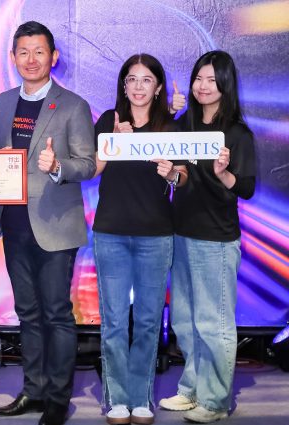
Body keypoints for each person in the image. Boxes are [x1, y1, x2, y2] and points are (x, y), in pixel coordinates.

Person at [0, 21, 96, 425]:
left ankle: (57, 398)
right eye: (23, 52)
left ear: (54, 57)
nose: (31, 59)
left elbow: (87, 164)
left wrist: (57, 166)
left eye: (39, 51)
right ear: (13, 57)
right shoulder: (3, 102)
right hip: (13, 221)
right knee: (27, 313)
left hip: (55, 225)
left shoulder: (73, 105)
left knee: (56, 313)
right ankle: (33, 391)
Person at [159, 50, 256, 424]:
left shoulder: (237, 133)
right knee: (184, 321)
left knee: (214, 323)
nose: (203, 86)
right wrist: (169, 113)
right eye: (199, 78)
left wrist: (223, 173)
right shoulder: (184, 124)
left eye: (212, 80)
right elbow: (164, 152)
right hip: (180, 232)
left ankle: (215, 401)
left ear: (225, 85)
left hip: (216, 239)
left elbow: (245, 187)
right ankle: (192, 389)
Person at [93, 54, 187, 425]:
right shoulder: (110, 120)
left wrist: (171, 174)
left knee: (148, 322)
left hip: (156, 235)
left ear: (158, 87)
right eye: (131, 79)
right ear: (123, 84)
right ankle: (117, 400)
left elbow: (183, 178)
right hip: (111, 233)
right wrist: (113, 144)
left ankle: (141, 398)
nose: (138, 86)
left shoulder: (170, 127)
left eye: (146, 80)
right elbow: (93, 168)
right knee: (114, 322)